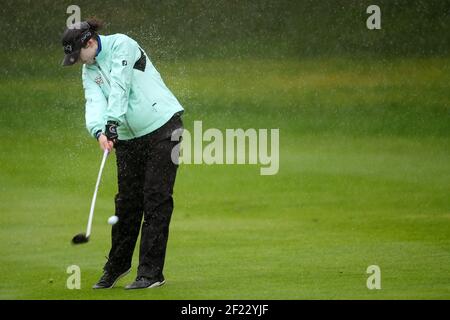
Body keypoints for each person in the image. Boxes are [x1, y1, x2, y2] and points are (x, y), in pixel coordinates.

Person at [61, 18, 184, 289]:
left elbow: (120, 85)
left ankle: (151, 274)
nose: (80, 62)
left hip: (164, 128)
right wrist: (99, 131)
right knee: (127, 203)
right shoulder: (89, 70)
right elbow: (94, 102)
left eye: (78, 56)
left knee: (156, 199)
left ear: (89, 43)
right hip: (129, 138)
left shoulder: (122, 45)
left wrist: (112, 122)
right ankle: (117, 265)